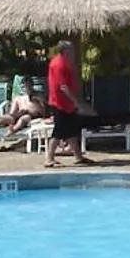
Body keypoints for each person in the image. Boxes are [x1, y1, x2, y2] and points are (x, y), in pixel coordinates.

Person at [43, 40, 94, 168]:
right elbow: (63, 87)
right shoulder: (58, 64)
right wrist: (77, 103)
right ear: (65, 51)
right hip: (60, 103)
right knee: (59, 131)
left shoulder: (66, 63)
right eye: (71, 50)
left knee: (71, 130)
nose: (74, 52)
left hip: (67, 103)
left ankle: (78, 157)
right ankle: (49, 158)